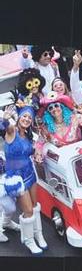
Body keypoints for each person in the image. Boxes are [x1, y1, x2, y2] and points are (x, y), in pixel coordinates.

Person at [1, 103, 44, 254]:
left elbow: (35, 149)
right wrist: (5, 119)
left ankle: (38, 234)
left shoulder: (29, 136)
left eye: (29, 118)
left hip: (30, 174)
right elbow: (7, 126)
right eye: (24, 116)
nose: (26, 119)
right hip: (16, 179)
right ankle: (28, 240)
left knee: (34, 206)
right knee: (27, 211)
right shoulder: (12, 132)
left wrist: (38, 153)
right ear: (18, 118)